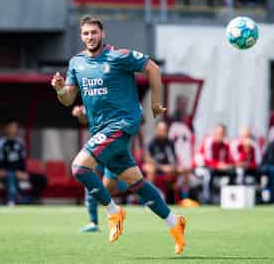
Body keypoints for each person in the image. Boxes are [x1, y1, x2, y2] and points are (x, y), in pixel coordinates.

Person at [50, 15, 186, 254]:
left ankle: (114, 212)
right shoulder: (76, 63)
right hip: (100, 128)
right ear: (81, 36)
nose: (90, 37)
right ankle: (175, 223)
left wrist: (155, 103)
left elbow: (152, 68)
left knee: (79, 168)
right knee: (137, 183)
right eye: (86, 33)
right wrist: (60, 89)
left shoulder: (119, 56)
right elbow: (67, 100)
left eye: (94, 32)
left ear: (103, 34)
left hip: (123, 123)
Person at [72, 105, 128, 233]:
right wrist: (81, 115)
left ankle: (131, 192)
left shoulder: (119, 93)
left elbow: (142, 119)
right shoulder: (92, 94)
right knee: (89, 177)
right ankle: (93, 222)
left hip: (114, 148)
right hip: (97, 148)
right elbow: (85, 120)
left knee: (108, 188)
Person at [0, 119, 48, 205]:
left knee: (42, 179)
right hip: (7, 172)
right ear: (6, 129)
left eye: (15, 127)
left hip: (20, 172)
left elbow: (22, 160)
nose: (14, 130)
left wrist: (22, 172)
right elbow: (0, 161)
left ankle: (33, 199)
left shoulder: (20, 142)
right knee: (11, 176)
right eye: (11, 127)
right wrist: (12, 172)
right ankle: (11, 200)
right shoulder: (0, 143)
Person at [194, 124, 235, 203]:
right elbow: (208, 160)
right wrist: (219, 165)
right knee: (208, 173)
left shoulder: (225, 145)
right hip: (202, 167)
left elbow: (229, 160)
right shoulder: (209, 142)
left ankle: (229, 199)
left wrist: (228, 166)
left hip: (216, 168)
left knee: (232, 172)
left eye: (222, 133)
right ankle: (207, 199)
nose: (220, 135)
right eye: (219, 133)